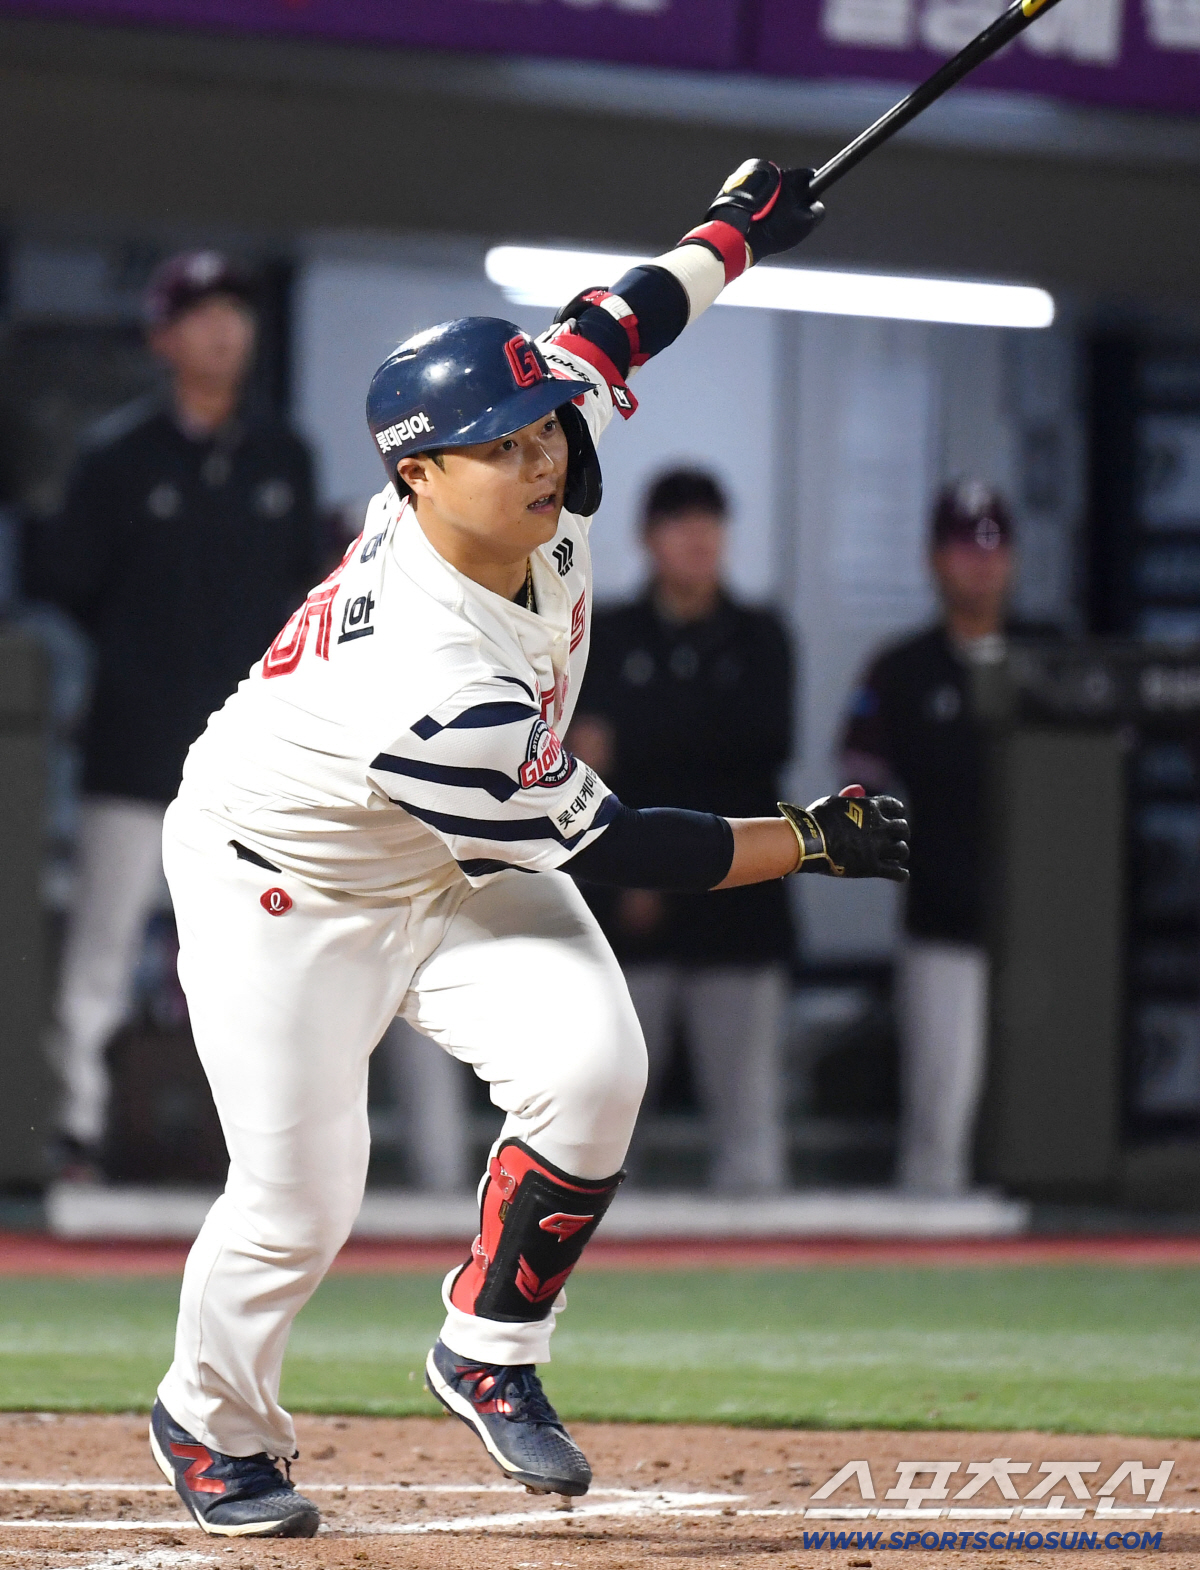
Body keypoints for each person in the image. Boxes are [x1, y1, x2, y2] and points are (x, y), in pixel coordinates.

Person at [144, 159, 909, 1539]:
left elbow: (617, 322)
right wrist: (803, 840)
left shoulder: (532, 464)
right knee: (301, 1198)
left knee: (597, 1066)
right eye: (502, 443)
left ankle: (489, 1347)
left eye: (541, 426)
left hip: (451, 858)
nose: (542, 452)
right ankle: (209, 1421)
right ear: (417, 473)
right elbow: (627, 843)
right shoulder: (434, 677)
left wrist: (734, 231)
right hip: (284, 879)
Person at [42, 252, 321, 1177]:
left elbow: (301, 597)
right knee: (104, 944)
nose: (223, 330)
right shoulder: (117, 458)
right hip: (134, 748)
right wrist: (136, 665)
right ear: (163, 336)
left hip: (250, 760)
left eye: (236, 311)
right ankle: (75, 1129)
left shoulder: (283, 455)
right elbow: (68, 585)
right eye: (200, 313)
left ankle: (265, 1138)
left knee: (259, 947)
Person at [570, 468, 796, 1192]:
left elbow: (759, 746)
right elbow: (583, 765)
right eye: (679, 522)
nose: (698, 538)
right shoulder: (606, 635)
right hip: (630, 901)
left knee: (748, 1120)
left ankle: (767, 1275)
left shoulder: (760, 636)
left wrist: (634, 740)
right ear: (646, 537)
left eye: (711, 522)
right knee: (604, 1113)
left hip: (740, 907)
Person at [839, 481, 1026, 1196]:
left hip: (1048, 933)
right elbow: (858, 787)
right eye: (961, 547)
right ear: (932, 559)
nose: (979, 564)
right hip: (944, 922)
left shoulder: (1051, 651)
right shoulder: (903, 667)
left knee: (1047, 1113)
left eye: (992, 546)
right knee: (938, 1120)